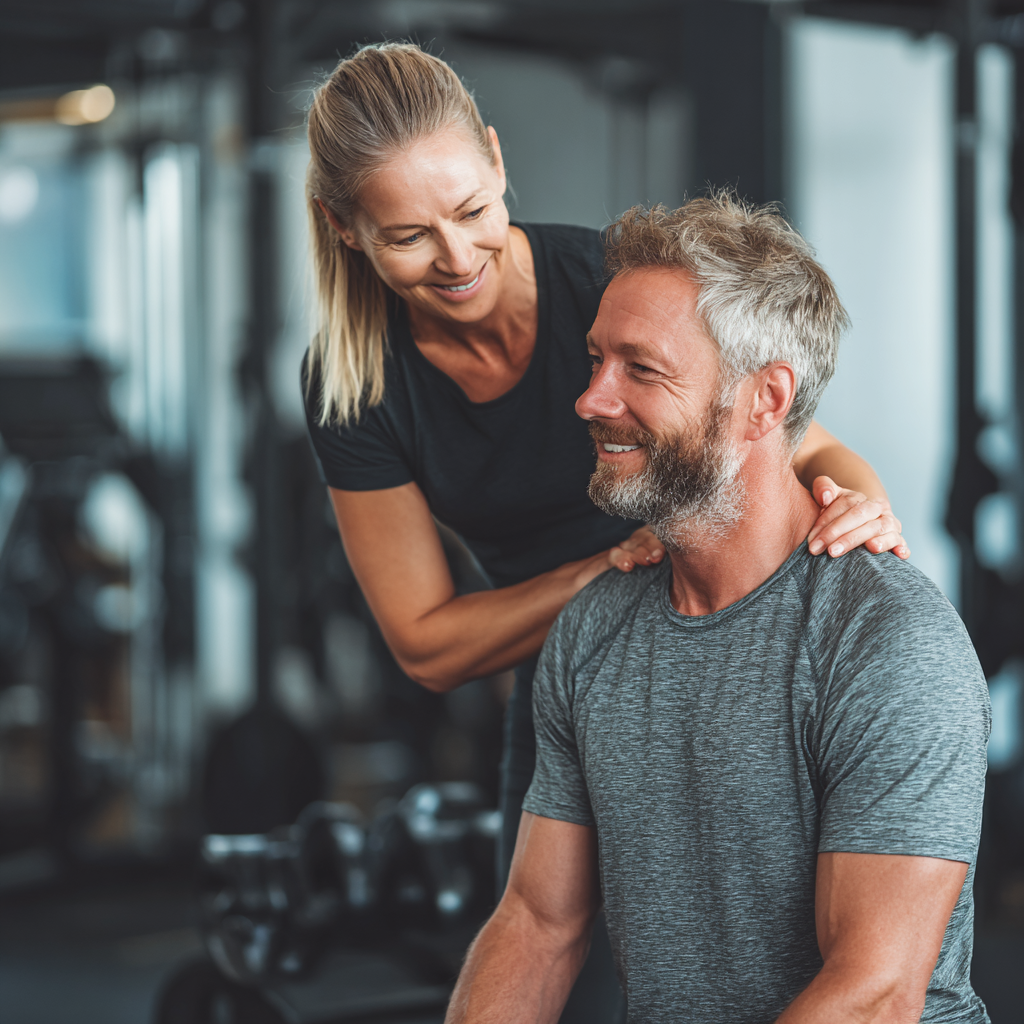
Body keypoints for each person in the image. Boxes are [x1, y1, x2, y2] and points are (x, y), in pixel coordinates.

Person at [301, 43, 909, 1021]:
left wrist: (864, 499)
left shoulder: (605, 283)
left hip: (721, 648)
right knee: (547, 953)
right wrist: (608, 571)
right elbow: (426, 641)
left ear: (497, 162)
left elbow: (791, 433)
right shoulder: (355, 381)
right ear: (344, 228)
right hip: (568, 686)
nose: (457, 260)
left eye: (469, 212)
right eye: (409, 236)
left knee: (779, 960)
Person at [444, 197, 991, 1024]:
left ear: (765, 403)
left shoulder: (887, 642)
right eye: (595, 360)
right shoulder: (595, 631)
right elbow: (537, 924)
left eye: (641, 369)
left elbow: (872, 996)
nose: (592, 399)